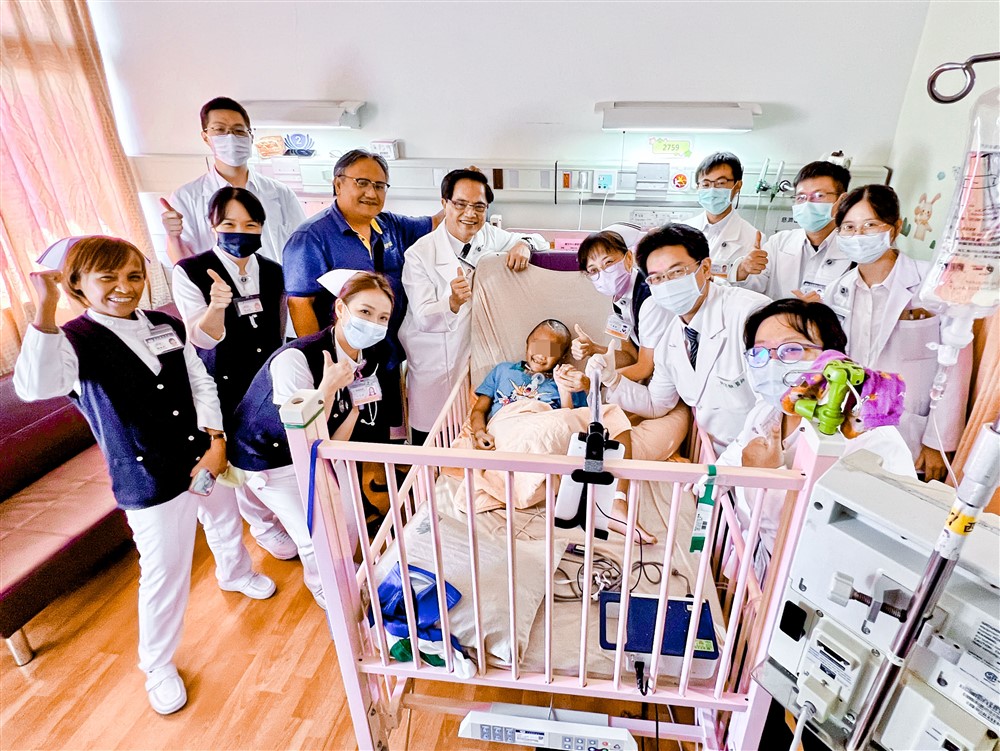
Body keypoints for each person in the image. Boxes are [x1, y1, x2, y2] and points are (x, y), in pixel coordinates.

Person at [13, 237, 275, 716]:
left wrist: (216, 442)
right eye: (107, 278)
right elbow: (36, 386)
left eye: (133, 276)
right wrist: (44, 309)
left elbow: (199, 380)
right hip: (147, 477)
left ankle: (235, 572)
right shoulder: (71, 340)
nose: (124, 287)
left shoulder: (164, 324)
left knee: (224, 519)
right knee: (164, 572)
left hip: (202, 455)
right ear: (78, 284)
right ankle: (157, 664)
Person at [230, 270, 397, 606]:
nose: (374, 324)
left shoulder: (368, 357)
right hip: (269, 455)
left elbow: (331, 440)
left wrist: (354, 411)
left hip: (319, 445)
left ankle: (340, 567)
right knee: (313, 534)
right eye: (365, 312)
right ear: (340, 309)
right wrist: (328, 389)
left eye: (383, 318)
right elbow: (300, 433)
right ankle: (323, 584)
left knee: (348, 520)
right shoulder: (296, 359)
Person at [716, 298, 916, 566]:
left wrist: (767, 478)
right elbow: (738, 451)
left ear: (831, 358)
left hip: (804, 574)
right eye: (760, 353)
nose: (772, 364)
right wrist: (707, 479)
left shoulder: (870, 441)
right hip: (756, 558)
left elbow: (843, 544)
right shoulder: (766, 411)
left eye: (791, 350)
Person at [171, 187, 296, 561]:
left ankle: (283, 514)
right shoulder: (191, 271)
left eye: (250, 224)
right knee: (240, 457)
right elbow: (201, 338)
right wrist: (217, 307)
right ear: (212, 226)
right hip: (222, 378)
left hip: (266, 376)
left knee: (272, 447)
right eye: (229, 223)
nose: (240, 232)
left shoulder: (273, 271)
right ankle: (263, 526)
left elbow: (279, 325)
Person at [282, 149, 443, 436]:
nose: (371, 192)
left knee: (383, 430)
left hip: (385, 354)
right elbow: (300, 304)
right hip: (342, 361)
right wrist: (326, 364)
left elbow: (436, 222)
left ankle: (384, 461)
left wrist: (462, 192)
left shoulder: (390, 226)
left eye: (379, 186)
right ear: (338, 184)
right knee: (348, 432)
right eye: (362, 183)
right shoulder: (311, 237)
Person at [822, 184, 973, 481]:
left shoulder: (933, 284)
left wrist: (938, 441)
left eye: (870, 225)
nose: (858, 236)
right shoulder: (836, 291)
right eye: (849, 227)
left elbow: (956, 366)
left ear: (897, 226)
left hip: (912, 432)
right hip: (851, 428)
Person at [589, 224, 770, 455]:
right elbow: (656, 404)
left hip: (759, 454)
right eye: (656, 278)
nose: (667, 284)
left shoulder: (751, 315)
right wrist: (612, 379)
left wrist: (732, 463)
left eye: (677, 272)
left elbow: (774, 403)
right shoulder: (671, 339)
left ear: (705, 268)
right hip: (713, 453)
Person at [399, 167, 531, 444]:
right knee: (432, 432)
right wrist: (452, 302)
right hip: (433, 356)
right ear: (445, 203)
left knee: (470, 429)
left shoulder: (488, 235)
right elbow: (423, 317)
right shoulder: (419, 255)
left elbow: (526, 239)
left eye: (478, 207)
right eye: (460, 204)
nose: (470, 214)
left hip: (474, 349)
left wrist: (523, 246)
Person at [159, 97, 305, 267]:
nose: (230, 137)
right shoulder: (187, 197)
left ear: (250, 136)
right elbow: (182, 265)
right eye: (220, 130)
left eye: (239, 130)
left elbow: (303, 246)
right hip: (216, 284)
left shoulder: (280, 193)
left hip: (276, 282)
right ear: (206, 137)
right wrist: (173, 236)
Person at [742, 161, 854, 300]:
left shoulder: (855, 250)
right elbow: (751, 291)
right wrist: (744, 270)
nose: (807, 204)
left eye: (819, 196)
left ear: (842, 200)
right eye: (801, 197)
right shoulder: (778, 243)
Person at [571, 229, 671, 383]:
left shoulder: (649, 298)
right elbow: (630, 357)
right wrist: (593, 348)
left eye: (608, 262)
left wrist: (594, 382)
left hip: (671, 375)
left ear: (629, 258)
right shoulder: (619, 300)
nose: (603, 274)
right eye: (594, 270)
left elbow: (645, 367)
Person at [682, 152, 766, 285]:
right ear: (698, 187)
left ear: (737, 186)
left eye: (720, 183)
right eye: (706, 184)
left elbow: (758, 288)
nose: (712, 190)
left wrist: (742, 273)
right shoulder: (681, 232)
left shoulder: (753, 238)